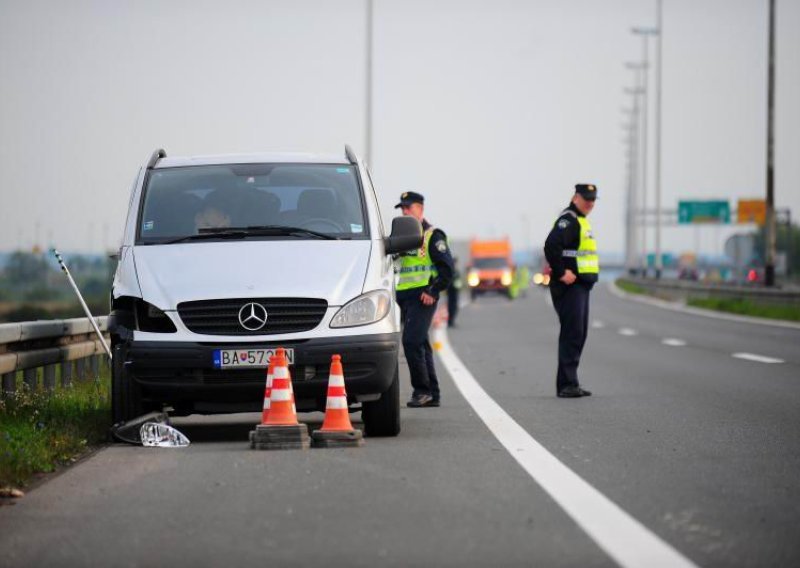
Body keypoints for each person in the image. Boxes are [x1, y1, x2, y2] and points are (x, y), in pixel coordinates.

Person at [395, 191, 454, 407]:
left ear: (420, 209)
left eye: (408, 208)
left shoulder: (432, 236)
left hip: (422, 297)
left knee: (411, 341)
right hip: (405, 297)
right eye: (402, 208)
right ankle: (432, 394)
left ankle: (422, 390)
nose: (404, 212)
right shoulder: (402, 236)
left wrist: (433, 291)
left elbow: (447, 269)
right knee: (420, 343)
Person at [543, 184, 599, 398]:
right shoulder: (568, 220)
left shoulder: (581, 220)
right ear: (575, 197)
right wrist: (561, 272)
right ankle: (566, 385)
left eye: (593, 200)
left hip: (581, 286)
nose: (590, 203)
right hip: (569, 286)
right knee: (572, 333)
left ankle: (571, 382)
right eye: (587, 199)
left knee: (578, 333)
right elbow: (550, 245)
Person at [447, 257, 462, 328]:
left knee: (454, 306)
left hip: (456, 290)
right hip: (452, 291)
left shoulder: (456, 271)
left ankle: (451, 321)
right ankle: (450, 321)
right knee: (452, 306)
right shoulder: (452, 271)